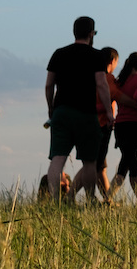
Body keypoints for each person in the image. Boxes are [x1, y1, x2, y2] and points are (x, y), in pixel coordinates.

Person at [45, 16, 113, 203]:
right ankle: (90, 199)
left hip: (61, 111)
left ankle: (55, 200)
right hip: (86, 113)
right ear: (91, 34)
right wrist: (108, 111)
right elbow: (101, 84)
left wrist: (51, 107)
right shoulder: (96, 55)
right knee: (90, 160)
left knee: (58, 158)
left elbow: (49, 85)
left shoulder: (59, 53)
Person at [108, 52, 137, 202]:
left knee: (131, 161)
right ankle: (109, 198)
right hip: (134, 124)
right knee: (128, 162)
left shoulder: (120, 81)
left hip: (120, 124)